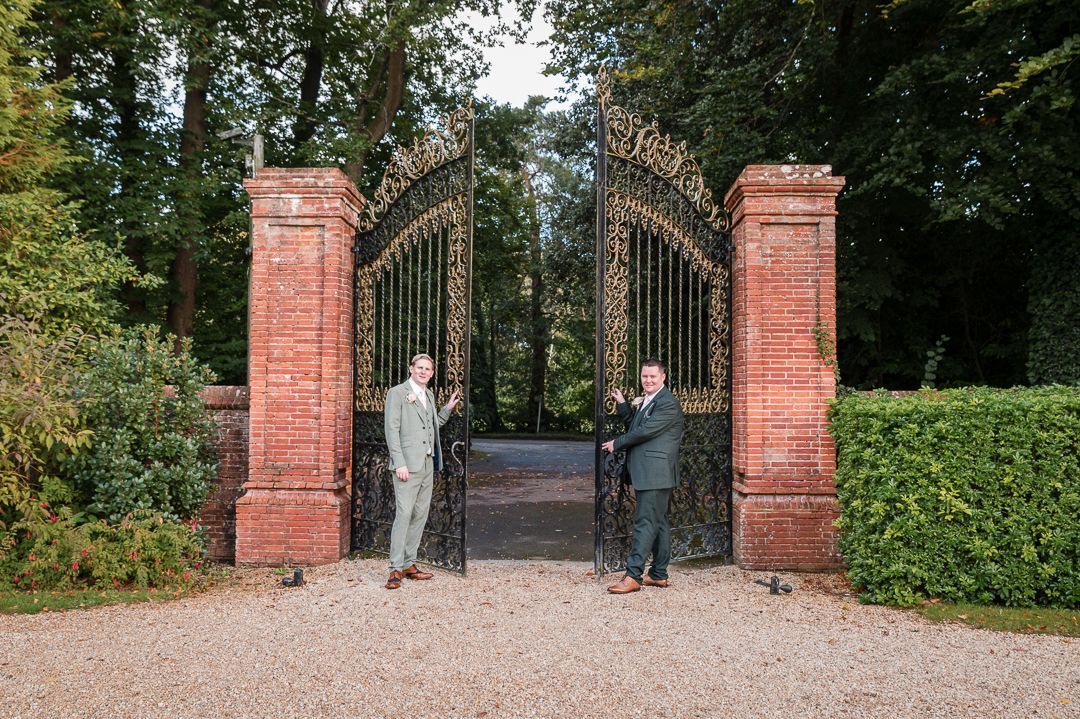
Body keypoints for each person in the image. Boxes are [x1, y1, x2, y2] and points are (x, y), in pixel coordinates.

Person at [600, 358, 685, 594]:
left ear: (663, 377)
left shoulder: (667, 403)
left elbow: (646, 431)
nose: (648, 380)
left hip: (656, 473)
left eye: (652, 376)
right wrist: (623, 405)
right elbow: (635, 427)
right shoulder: (649, 400)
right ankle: (658, 574)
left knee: (645, 523)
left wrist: (617, 443)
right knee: (659, 522)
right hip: (649, 473)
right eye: (644, 376)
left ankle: (633, 576)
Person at [383, 353, 459, 590]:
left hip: (427, 464)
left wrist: (446, 409)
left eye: (427, 369)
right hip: (406, 465)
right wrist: (399, 462)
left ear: (432, 373)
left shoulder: (429, 395)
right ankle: (395, 568)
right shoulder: (397, 393)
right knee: (404, 514)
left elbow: (432, 425)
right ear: (411, 369)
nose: (423, 371)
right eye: (419, 367)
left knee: (419, 515)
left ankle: (408, 563)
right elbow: (391, 429)